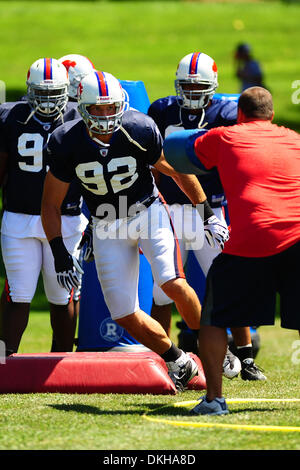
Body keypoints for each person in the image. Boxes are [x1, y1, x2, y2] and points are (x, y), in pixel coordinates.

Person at [40, 69, 219, 391]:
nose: (107, 115)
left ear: (121, 104)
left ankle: (214, 350)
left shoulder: (139, 127)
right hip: (106, 224)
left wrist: (206, 213)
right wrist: (59, 253)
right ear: (82, 107)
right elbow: (50, 205)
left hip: (147, 211)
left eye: (111, 107)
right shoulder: (65, 141)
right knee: (123, 312)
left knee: (172, 282)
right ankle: (179, 359)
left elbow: (177, 171)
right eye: (98, 108)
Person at [163, 86, 300, 414]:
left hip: (251, 239)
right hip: (296, 235)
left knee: (212, 318)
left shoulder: (225, 136)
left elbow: (177, 150)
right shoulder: (295, 139)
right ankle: (246, 361)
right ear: (272, 116)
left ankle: (214, 400)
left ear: (240, 114)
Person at [148, 51, 265, 381]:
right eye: (186, 85)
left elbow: (243, 163)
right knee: (163, 288)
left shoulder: (227, 113)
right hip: (170, 209)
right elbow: (151, 158)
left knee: (230, 283)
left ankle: (246, 356)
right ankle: (165, 359)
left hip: (211, 210)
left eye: (199, 86)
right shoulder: (161, 110)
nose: (192, 92)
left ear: (213, 86)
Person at [0, 57, 88, 355]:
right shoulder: (10, 116)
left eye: (54, 93)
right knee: (19, 293)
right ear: (29, 91)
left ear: (68, 90)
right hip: (19, 216)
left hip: (66, 218)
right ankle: (6, 360)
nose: (48, 101)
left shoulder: (80, 117)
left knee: (62, 294)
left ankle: (62, 361)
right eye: (41, 93)